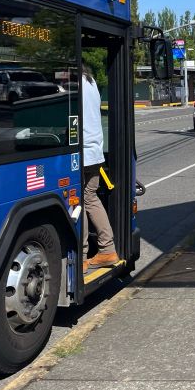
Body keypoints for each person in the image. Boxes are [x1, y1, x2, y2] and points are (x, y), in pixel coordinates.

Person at [82, 61, 119, 272]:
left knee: (77, 202)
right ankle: (107, 249)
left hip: (81, 154)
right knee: (90, 197)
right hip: (95, 152)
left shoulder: (73, 84)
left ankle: (81, 257)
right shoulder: (91, 81)